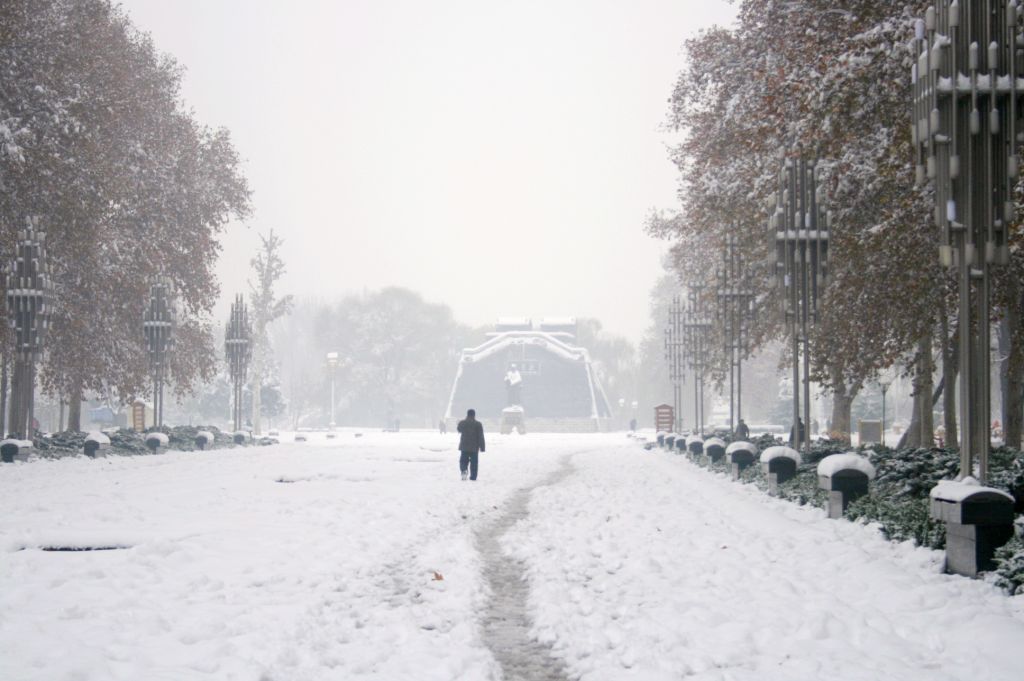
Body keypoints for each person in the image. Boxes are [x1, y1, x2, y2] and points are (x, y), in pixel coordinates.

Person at [457, 408, 486, 481]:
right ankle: (473, 476)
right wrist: (482, 447)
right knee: (474, 463)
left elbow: (459, 429)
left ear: (467, 414)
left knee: (463, 461)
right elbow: (481, 436)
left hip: (464, 446)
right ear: (474, 415)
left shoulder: (463, 423)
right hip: (474, 447)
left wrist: (463, 421)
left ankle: (464, 470)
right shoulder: (478, 424)